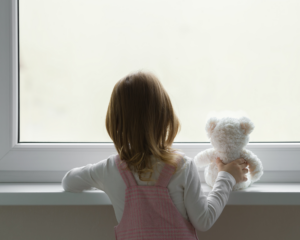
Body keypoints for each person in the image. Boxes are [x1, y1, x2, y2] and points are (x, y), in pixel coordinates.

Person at [61, 71, 249, 240]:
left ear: (115, 123)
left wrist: (103, 182)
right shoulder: (182, 166)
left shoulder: (109, 170)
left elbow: (69, 181)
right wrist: (226, 176)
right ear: (164, 115)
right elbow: (204, 220)